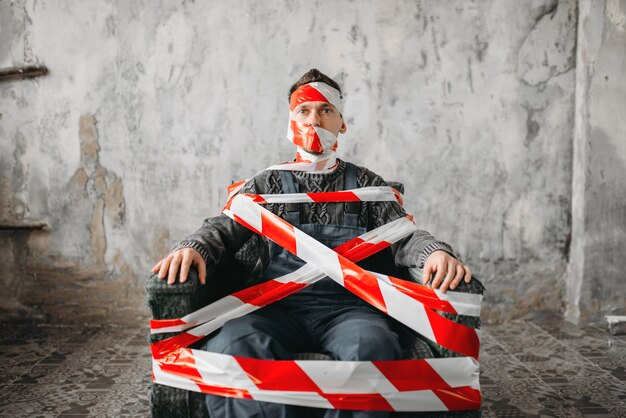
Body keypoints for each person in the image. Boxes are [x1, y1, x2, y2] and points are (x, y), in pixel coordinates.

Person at [152, 69, 472, 418]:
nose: (313, 119)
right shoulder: (267, 184)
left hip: (348, 310)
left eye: (325, 110)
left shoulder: (367, 185)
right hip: (273, 307)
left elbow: (405, 236)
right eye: (303, 111)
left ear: (342, 123)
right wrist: (193, 247)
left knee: (375, 347)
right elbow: (222, 229)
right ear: (290, 122)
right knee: (234, 345)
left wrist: (435, 252)